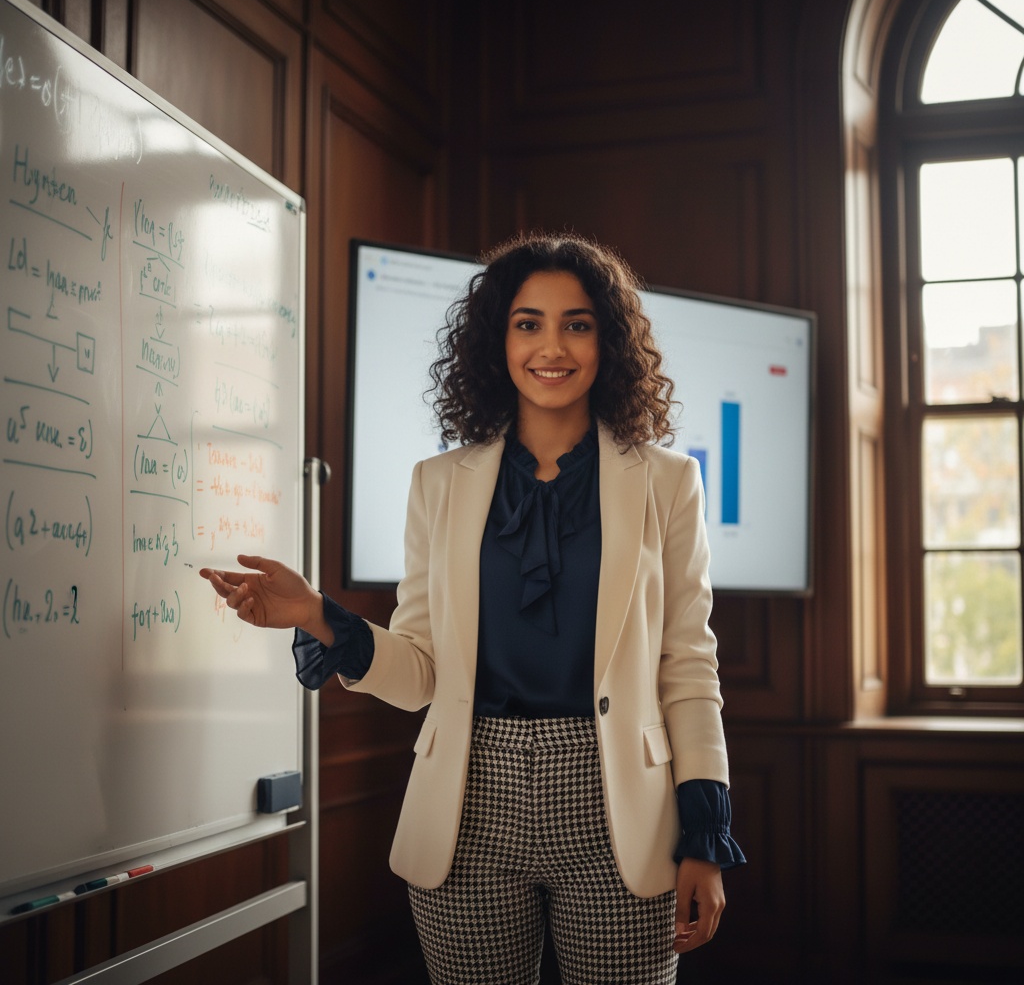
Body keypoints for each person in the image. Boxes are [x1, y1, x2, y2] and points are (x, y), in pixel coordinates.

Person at [201, 230, 745, 985]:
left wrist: (704, 834)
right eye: (528, 323)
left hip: (620, 802)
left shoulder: (668, 480)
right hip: (466, 802)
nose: (551, 346)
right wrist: (320, 617)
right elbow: (421, 672)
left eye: (577, 323)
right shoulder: (437, 483)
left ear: (608, 341)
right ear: (498, 338)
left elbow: (688, 667)